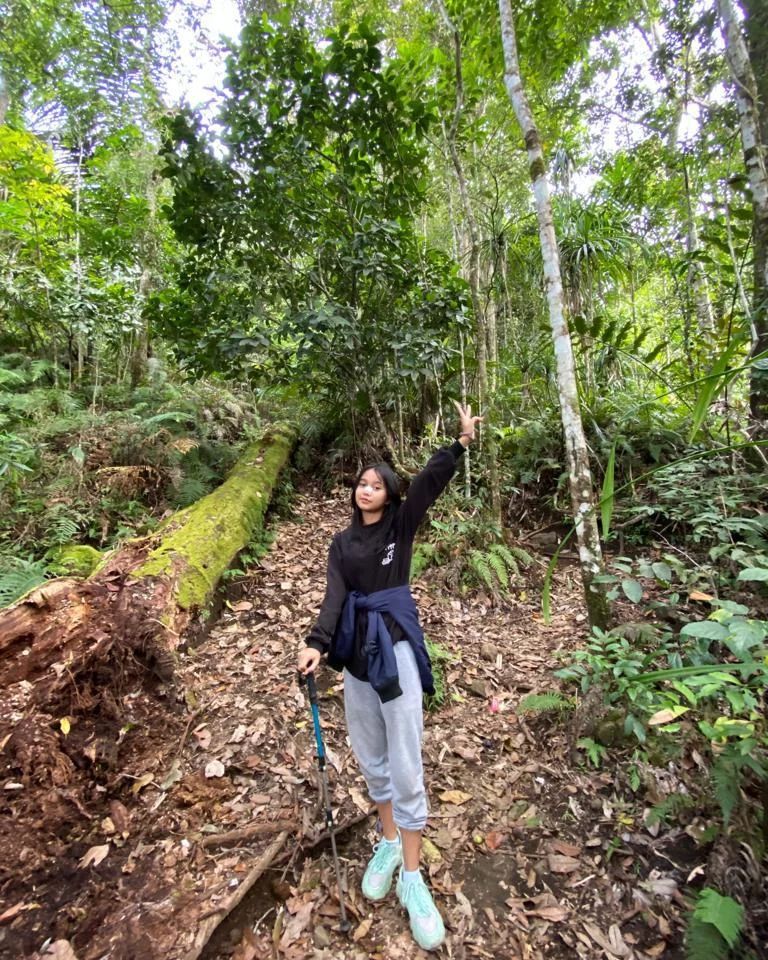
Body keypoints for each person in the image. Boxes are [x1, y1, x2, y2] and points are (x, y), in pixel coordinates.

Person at [297, 401, 482, 952]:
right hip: (356, 652)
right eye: (362, 482)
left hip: (395, 646)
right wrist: (315, 642)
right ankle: (386, 838)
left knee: (405, 753)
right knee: (371, 750)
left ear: (391, 494)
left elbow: (428, 481)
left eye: (377, 484)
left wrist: (459, 444)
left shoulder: (402, 524)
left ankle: (412, 874)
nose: (367, 488)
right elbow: (334, 598)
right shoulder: (342, 543)